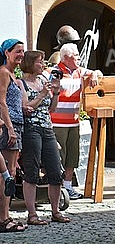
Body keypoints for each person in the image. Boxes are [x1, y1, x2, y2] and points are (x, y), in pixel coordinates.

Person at [20, 50, 71, 225]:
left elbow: (51, 109)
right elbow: (26, 108)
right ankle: (32, 214)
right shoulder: (21, 84)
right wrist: (42, 95)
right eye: (40, 62)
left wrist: (55, 93)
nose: (43, 65)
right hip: (31, 130)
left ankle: (55, 211)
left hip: (47, 128)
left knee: (55, 170)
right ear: (30, 63)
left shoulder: (43, 81)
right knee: (32, 171)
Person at [49, 43, 103, 200]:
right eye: (76, 56)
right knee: (59, 157)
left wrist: (94, 74)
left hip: (74, 122)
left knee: (72, 157)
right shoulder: (55, 71)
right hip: (57, 123)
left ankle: (68, 187)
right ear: (65, 58)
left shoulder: (80, 71)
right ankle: (57, 190)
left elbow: (97, 72)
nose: (79, 58)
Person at [0, 39, 27, 232]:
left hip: (17, 125)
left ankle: (6, 215)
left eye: (23, 52)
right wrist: (9, 128)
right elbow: (1, 102)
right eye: (17, 51)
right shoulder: (3, 73)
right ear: (7, 53)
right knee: (6, 174)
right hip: (10, 127)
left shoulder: (12, 74)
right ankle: (3, 218)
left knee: (11, 171)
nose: (21, 55)